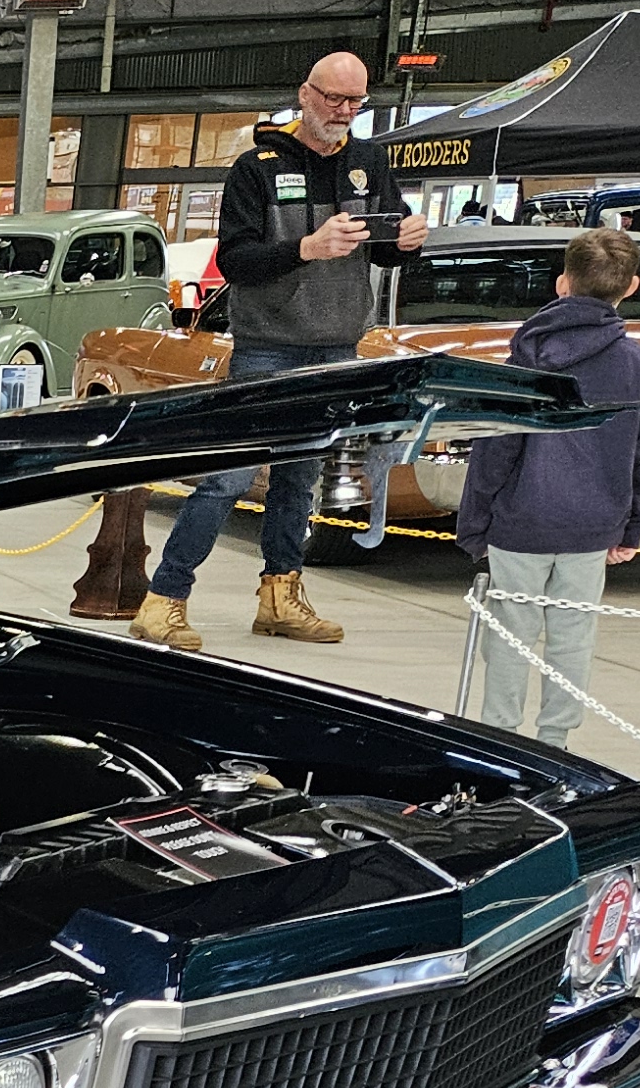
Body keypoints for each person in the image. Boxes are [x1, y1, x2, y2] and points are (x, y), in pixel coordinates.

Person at [125, 52, 420, 649]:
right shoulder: (255, 168)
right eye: (334, 99)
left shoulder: (368, 162)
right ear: (305, 94)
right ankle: (164, 600)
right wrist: (305, 248)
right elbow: (236, 261)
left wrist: (408, 240)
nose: (344, 111)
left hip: (336, 345)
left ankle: (281, 597)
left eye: (356, 101)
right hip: (268, 349)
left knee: (298, 482)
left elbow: (385, 246)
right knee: (227, 479)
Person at [457, 226, 640, 745]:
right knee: (573, 639)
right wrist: (635, 526)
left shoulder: (526, 357)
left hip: (519, 521)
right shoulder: (639, 365)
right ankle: (556, 744)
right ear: (631, 287)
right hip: (593, 527)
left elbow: (496, 446)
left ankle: (500, 739)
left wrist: (474, 523)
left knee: (509, 635)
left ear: (561, 283)